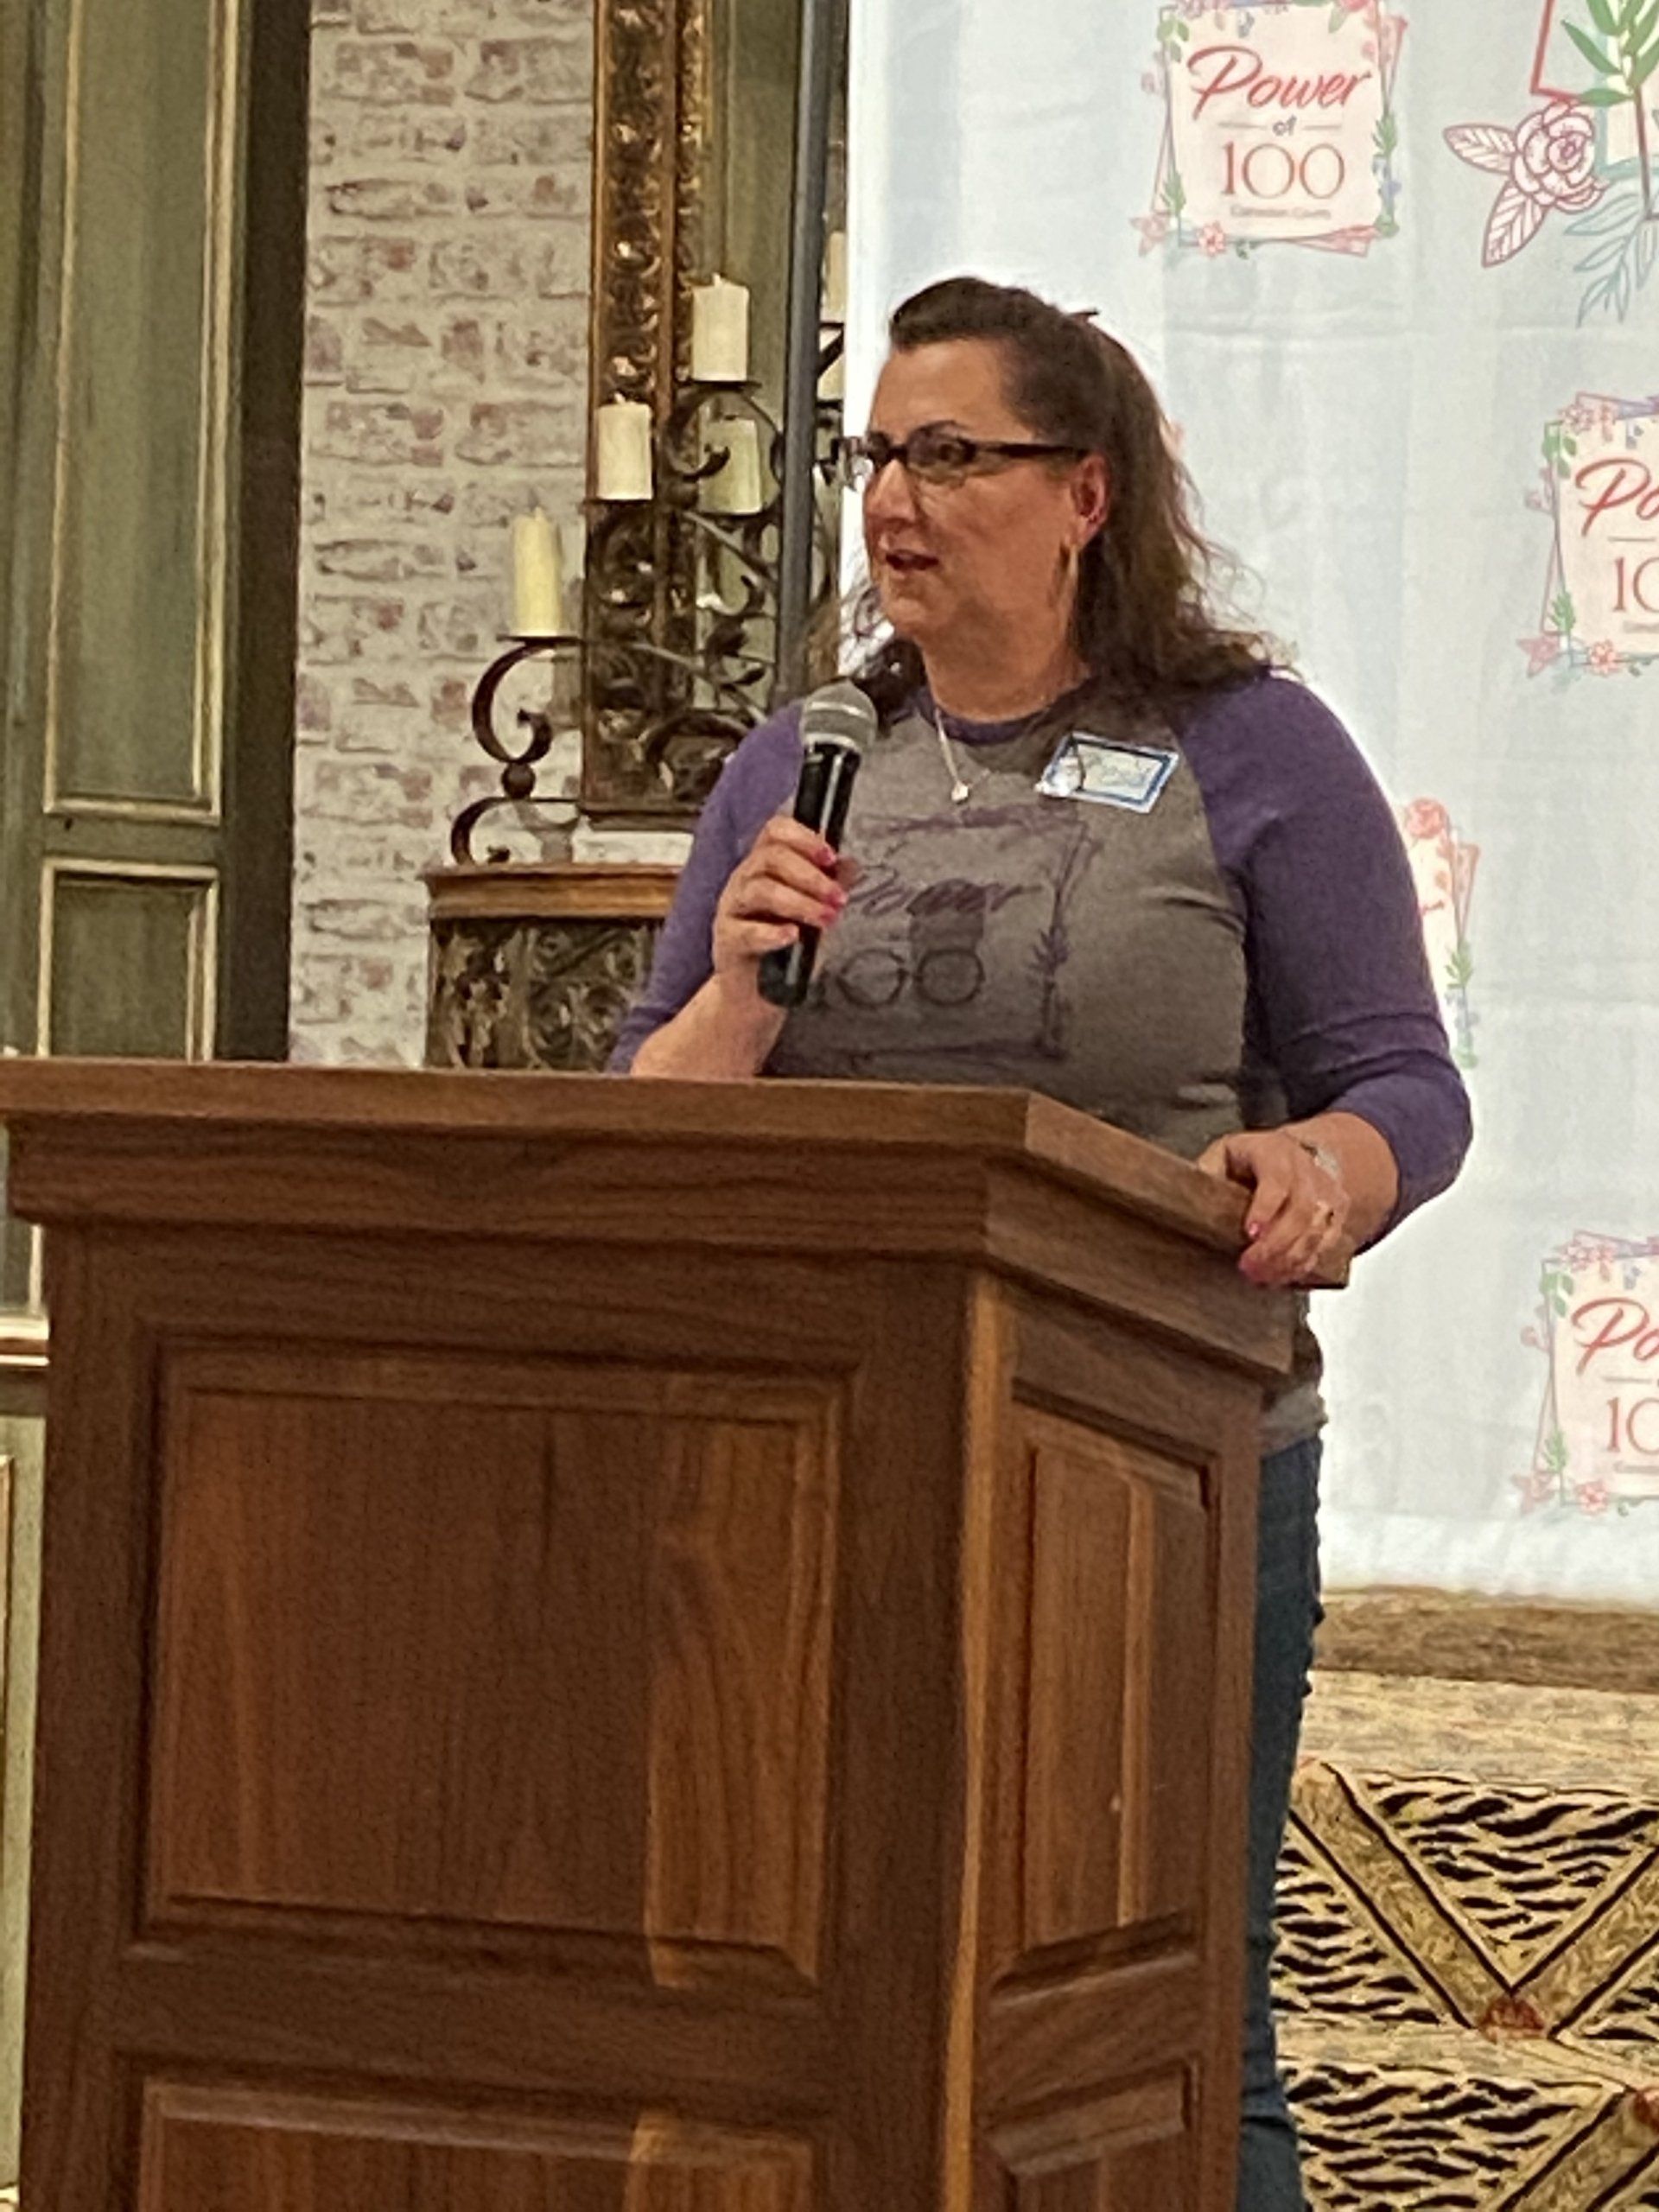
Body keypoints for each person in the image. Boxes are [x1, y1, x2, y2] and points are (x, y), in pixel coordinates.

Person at [610, 275, 1471, 2210]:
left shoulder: (1250, 750)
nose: (895, 499)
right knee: (806, 1983)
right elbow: (648, 1125)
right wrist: (745, 988)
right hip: (822, 1467)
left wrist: (1324, 1166)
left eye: (950, 454)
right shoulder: (794, 763)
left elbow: (1406, 1087)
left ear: (1084, 493)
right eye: (876, 456)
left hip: (1158, 1469)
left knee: (1166, 2010)